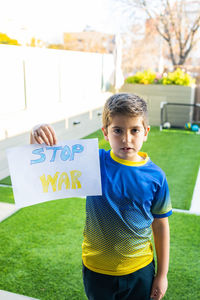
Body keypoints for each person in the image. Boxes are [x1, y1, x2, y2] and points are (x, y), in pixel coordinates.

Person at [30, 93, 172, 300]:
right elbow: (43, 165)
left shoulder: (156, 177)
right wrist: (36, 135)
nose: (126, 139)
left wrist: (162, 275)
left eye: (134, 130)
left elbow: (161, 225)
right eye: (117, 130)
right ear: (105, 132)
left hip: (139, 269)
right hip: (96, 269)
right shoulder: (92, 161)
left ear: (146, 132)